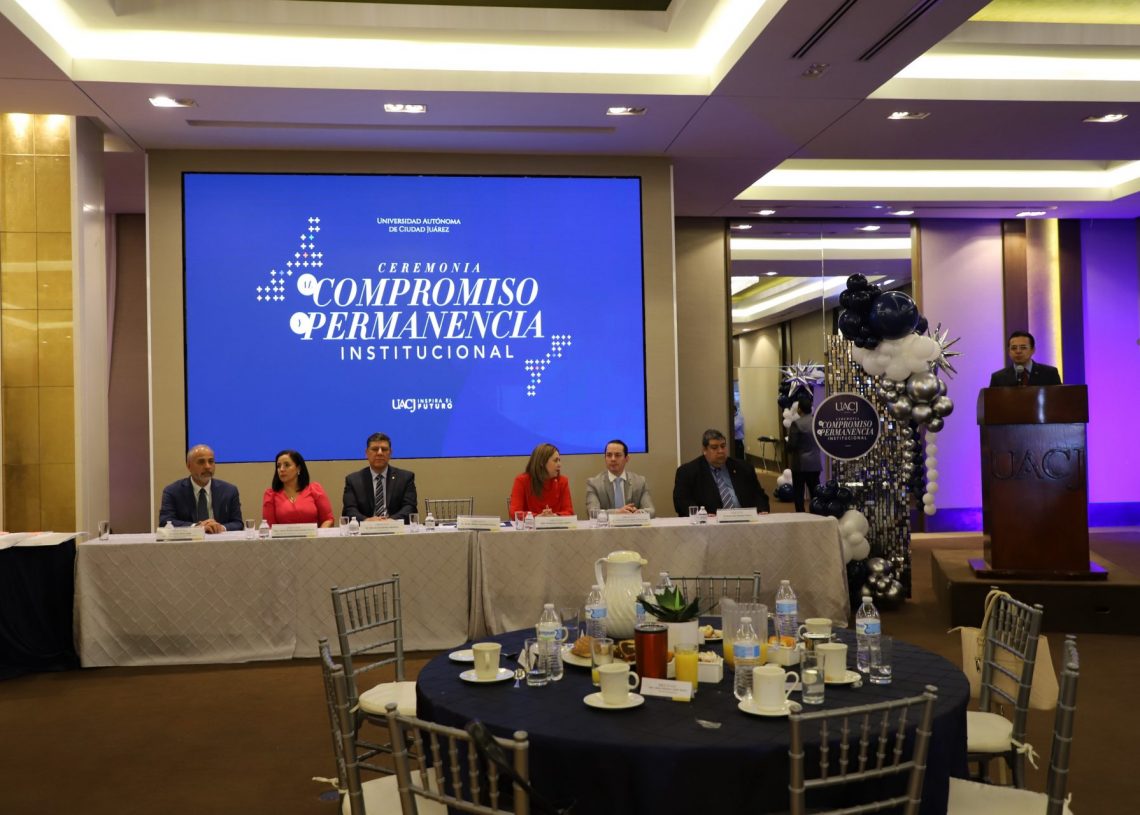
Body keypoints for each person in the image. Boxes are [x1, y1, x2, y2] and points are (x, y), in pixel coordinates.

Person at [672, 428, 770, 516]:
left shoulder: (744, 468)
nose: (721, 451)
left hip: (744, 520)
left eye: (723, 446)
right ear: (705, 450)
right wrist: (701, 515)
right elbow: (681, 502)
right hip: (709, 524)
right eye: (714, 448)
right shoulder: (688, 472)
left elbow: (759, 495)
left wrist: (762, 510)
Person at [159, 444, 243, 533]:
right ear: (189, 466)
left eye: (211, 461)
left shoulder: (229, 491)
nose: (207, 466)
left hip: (218, 538)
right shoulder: (173, 491)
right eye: (201, 462)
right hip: (189, 540)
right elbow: (165, 522)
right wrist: (197, 527)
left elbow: (238, 523)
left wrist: (220, 527)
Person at [342, 432, 418, 522]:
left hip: (395, 527)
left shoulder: (405, 478)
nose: (380, 453)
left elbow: (410, 507)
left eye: (384, 449)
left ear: (390, 453)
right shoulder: (353, 480)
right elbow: (349, 510)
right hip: (365, 528)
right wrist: (366, 520)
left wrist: (391, 521)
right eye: (375, 449)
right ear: (367, 453)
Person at [262, 449, 334, 527]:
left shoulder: (315, 489)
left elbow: (328, 519)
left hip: (313, 534)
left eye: (287, 465)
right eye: (278, 466)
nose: (281, 469)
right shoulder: (271, 495)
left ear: (298, 468)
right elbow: (269, 527)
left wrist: (320, 534)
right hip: (283, 535)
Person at [584, 439, 655, 517]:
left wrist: (638, 513)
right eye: (609, 455)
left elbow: (651, 510)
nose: (613, 459)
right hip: (607, 525)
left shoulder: (640, 482)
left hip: (632, 524)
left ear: (627, 459)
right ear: (605, 458)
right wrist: (617, 513)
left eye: (617, 455)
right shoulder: (594, 484)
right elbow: (592, 512)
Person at [510, 443, 574, 517]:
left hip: (555, 523)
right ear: (542, 463)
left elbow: (569, 512)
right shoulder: (521, 481)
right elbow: (515, 513)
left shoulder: (563, 481)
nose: (559, 464)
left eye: (559, 460)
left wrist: (554, 516)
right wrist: (537, 517)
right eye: (555, 461)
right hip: (531, 524)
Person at [785, 392, 821, 513]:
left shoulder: (796, 424)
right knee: (815, 492)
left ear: (799, 409)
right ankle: (817, 513)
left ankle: (801, 515)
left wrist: (787, 447)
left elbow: (792, 445)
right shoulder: (817, 422)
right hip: (815, 462)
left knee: (799, 493)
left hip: (800, 464)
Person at [989, 330, 1062, 387]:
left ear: (1033, 350)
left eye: (1023, 347)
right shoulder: (998, 377)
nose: (1018, 351)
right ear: (1009, 352)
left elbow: (1058, 398)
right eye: (1014, 348)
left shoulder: (1050, 374)